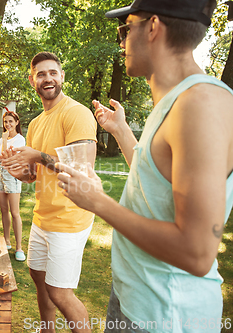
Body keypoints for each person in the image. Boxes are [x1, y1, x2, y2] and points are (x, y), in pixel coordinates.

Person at [56, 0, 233, 331]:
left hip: (165, 314)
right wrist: (121, 130)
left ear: (152, 27)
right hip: (135, 298)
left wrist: (97, 202)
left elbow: (197, 252)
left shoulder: (200, 105)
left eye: (126, 28)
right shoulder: (177, 100)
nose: (121, 41)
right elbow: (158, 179)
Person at [0, 51, 97, 333]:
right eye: (41, 74)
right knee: (37, 275)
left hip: (70, 217)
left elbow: (81, 169)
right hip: (43, 216)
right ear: (33, 80)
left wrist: (37, 156)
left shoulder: (76, 113)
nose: (48, 78)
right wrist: (20, 170)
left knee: (60, 292)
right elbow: (35, 174)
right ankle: (47, 330)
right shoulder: (37, 122)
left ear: (62, 76)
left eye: (53, 72)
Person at [0, 110, 26, 261]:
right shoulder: (0, 140)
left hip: (12, 177)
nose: (8, 124)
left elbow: (5, 158)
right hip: (0, 176)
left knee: (15, 212)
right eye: (6, 122)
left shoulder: (19, 140)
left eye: (11, 121)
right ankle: (7, 241)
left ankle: (19, 248)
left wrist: (4, 144)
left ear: (17, 122)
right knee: (4, 211)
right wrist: (0, 157)